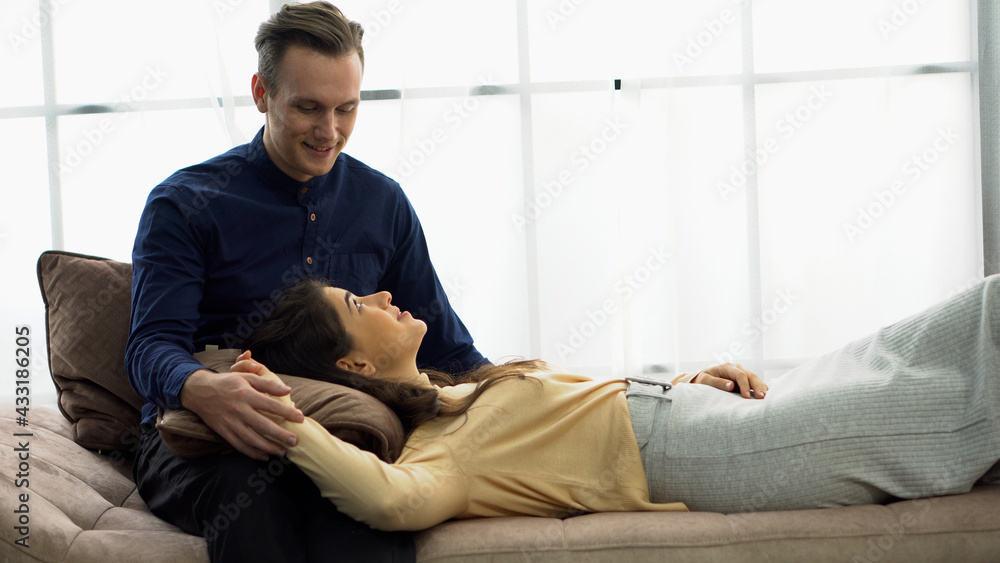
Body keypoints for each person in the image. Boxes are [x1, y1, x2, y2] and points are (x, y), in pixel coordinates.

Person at [125, 2, 484, 561]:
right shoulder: (186, 204)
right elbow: (150, 346)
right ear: (262, 93)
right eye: (309, 108)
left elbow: (446, 343)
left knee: (366, 514)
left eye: (347, 109)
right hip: (210, 436)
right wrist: (200, 388)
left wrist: (527, 397)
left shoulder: (383, 202)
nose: (330, 131)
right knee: (254, 496)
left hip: (349, 431)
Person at [232, 276, 1000, 531]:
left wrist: (687, 383)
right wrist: (286, 418)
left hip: (719, 420)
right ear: (354, 362)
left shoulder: (463, 393)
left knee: (969, 323)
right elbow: (390, 501)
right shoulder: (440, 449)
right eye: (356, 301)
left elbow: (590, 416)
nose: (384, 293)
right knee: (981, 348)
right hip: (733, 454)